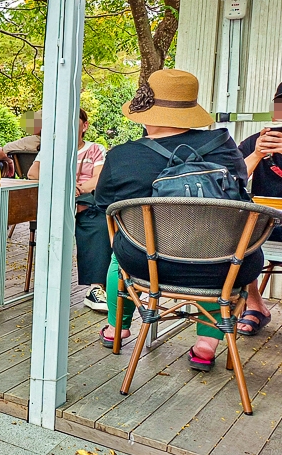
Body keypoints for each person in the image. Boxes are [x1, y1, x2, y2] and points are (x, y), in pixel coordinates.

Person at [94, 69, 264, 371]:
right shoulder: (225, 145)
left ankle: (117, 328)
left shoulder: (123, 156)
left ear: (146, 112)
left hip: (146, 265)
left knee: (118, 251)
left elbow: (105, 205)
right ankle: (206, 345)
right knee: (216, 245)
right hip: (226, 267)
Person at [27, 109, 110, 311]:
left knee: (99, 224)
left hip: (86, 200)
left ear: (85, 126)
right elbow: (33, 173)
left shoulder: (96, 149)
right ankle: (48, 284)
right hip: (58, 200)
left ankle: (96, 287)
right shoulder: (51, 148)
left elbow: (99, 178)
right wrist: (62, 186)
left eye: (75, 122)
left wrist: (77, 189)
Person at [234, 81, 282, 336]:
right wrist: (255, 155)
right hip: (265, 225)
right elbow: (229, 183)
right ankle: (255, 304)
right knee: (237, 233)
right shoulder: (257, 141)